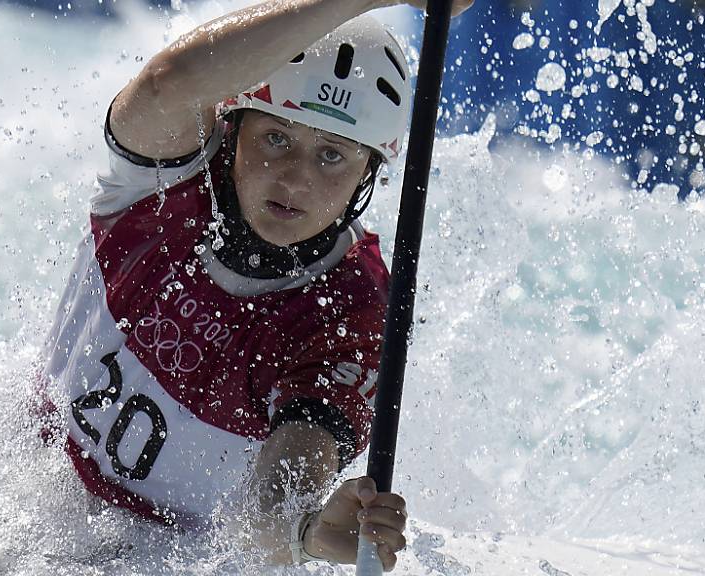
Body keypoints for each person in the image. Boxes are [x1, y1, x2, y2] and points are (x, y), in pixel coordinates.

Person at [37, 0, 473, 570]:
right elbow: (169, 82)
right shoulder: (168, 180)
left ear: (369, 174)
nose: (296, 177)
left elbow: (268, 511)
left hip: (161, 562)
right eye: (276, 138)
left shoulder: (354, 312)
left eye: (332, 156)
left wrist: (309, 532)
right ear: (233, 125)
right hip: (24, 481)